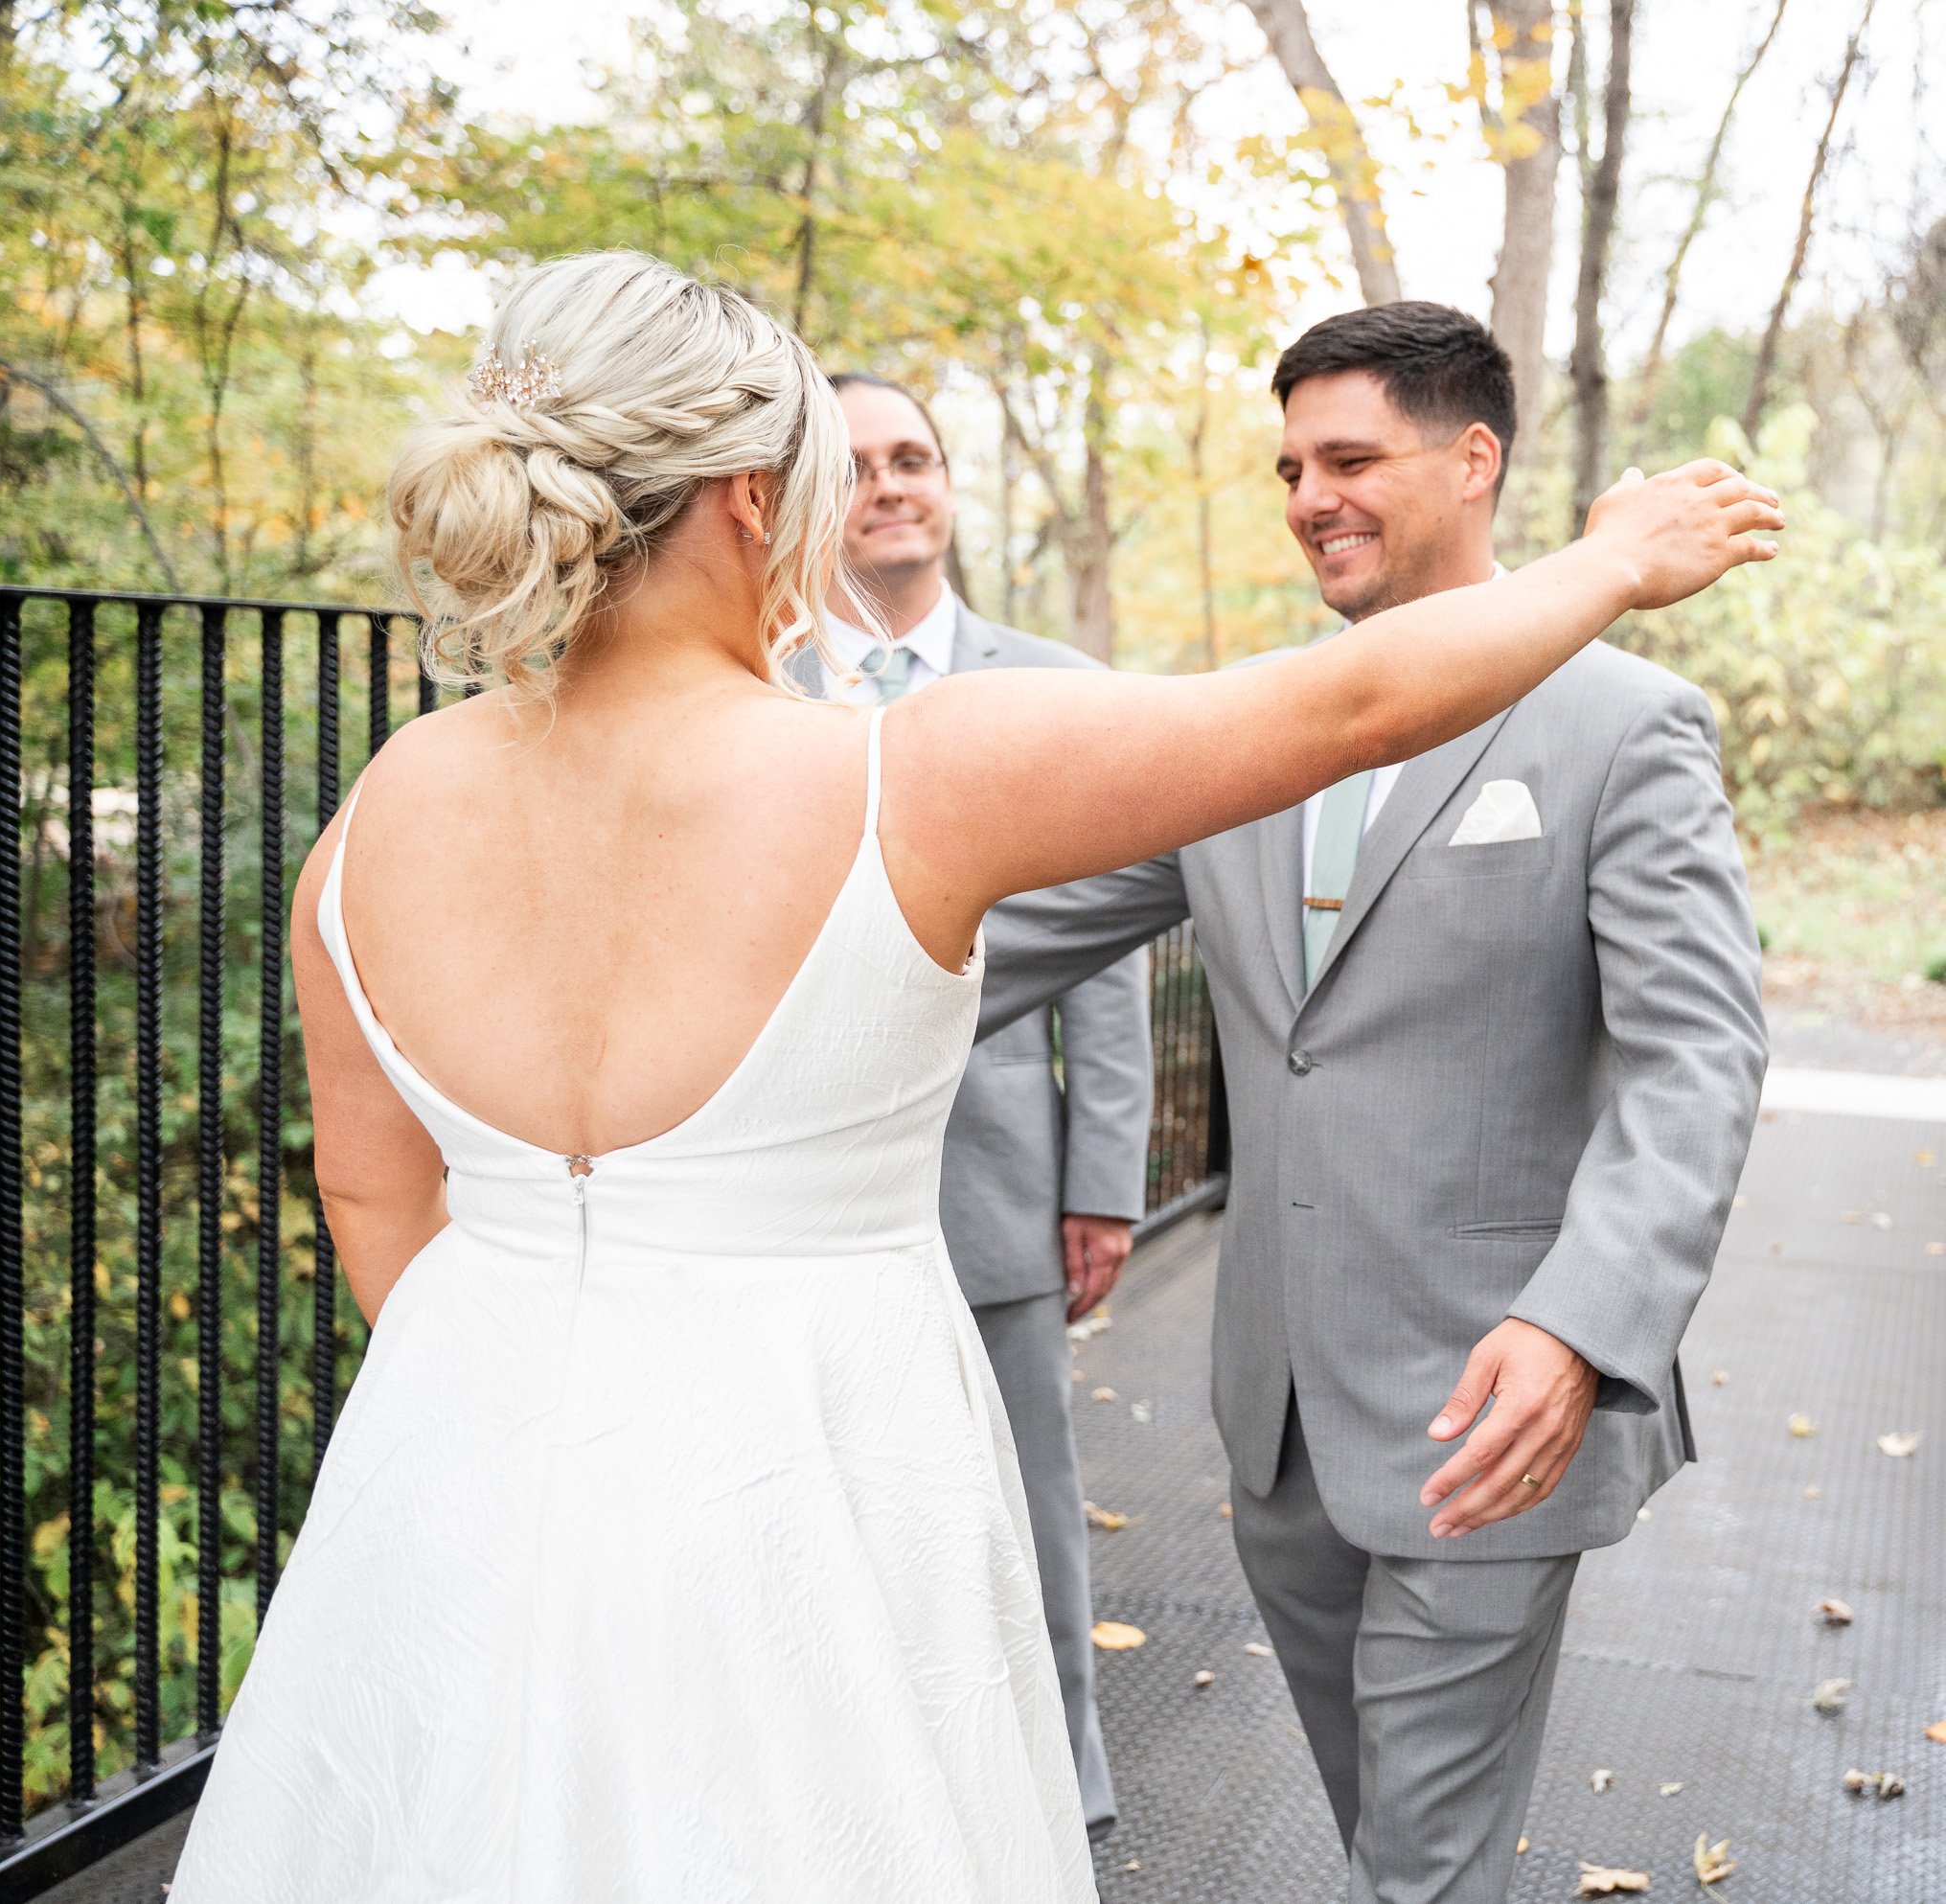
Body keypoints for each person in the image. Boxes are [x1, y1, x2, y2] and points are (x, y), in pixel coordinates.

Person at [165, 255, 1780, 1904]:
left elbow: (372, 1188)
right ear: (745, 501)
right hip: (806, 1488)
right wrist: (1614, 558)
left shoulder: (376, 815)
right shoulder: (910, 775)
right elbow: (1357, 706)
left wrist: (535, 1396)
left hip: (461, 1467)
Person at [971, 302, 1772, 1903]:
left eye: (1348, 458)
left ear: (1474, 460)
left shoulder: (1626, 726)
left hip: (1497, 1406)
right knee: (1385, 1839)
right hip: (1276, 1415)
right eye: (1288, 470)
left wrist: (1581, 1322)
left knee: (1417, 1866)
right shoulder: (1245, 731)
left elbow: (1700, 1058)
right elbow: (997, 934)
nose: (1308, 499)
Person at [813, 369, 1152, 1845]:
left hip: (999, 1170)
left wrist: (1106, 1177)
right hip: (804, 1176)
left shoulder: (1054, 687)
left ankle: (1060, 1783)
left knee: (1023, 1485)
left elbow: (1115, 952)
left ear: (949, 487)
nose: (892, 484)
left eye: (915, 458)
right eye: (858, 464)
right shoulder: (751, 685)